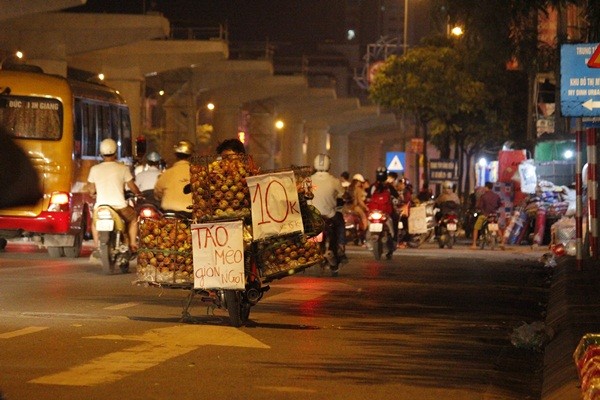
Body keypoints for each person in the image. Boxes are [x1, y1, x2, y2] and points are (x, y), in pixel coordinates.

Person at [87, 138, 143, 252]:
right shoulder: (123, 168)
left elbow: (91, 190)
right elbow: (132, 187)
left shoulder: (94, 169)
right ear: (115, 152)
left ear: (101, 153)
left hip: (101, 207)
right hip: (120, 207)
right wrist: (138, 193)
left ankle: (96, 245)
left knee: (94, 222)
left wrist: (94, 193)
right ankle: (132, 243)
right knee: (133, 218)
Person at [310, 154, 345, 270]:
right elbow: (342, 194)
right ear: (329, 165)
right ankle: (341, 246)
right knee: (340, 222)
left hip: (313, 217)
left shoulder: (308, 180)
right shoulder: (334, 181)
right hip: (330, 215)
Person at [154, 140, 194, 215]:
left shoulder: (166, 173)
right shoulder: (196, 173)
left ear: (175, 155)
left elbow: (157, 193)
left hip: (170, 213)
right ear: (190, 155)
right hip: (191, 213)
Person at [368, 167, 400, 258]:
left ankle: (393, 240)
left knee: (395, 219)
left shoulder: (375, 186)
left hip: (381, 212)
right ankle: (394, 240)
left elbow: (367, 197)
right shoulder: (386, 186)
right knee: (395, 219)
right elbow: (397, 197)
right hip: (383, 212)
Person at [471, 181, 502, 249]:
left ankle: (474, 244)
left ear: (486, 187)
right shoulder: (496, 196)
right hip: (494, 215)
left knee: (476, 228)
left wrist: (479, 209)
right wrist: (495, 209)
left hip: (485, 215)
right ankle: (502, 243)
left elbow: (479, 206)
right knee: (497, 227)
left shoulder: (483, 196)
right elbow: (500, 204)